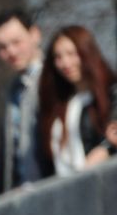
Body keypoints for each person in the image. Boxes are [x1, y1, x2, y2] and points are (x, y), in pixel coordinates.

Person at [37, 25, 117, 178]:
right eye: (58, 57)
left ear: (87, 52)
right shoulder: (59, 103)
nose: (65, 63)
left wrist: (105, 150)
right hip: (65, 191)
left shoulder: (111, 95)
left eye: (71, 53)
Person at [0, 8, 48, 192]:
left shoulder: (54, 80)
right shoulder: (11, 90)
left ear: (35, 34)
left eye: (16, 42)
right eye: (2, 47)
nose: (11, 51)